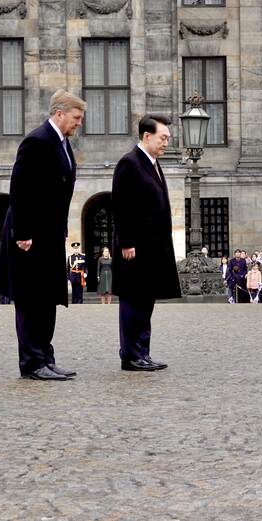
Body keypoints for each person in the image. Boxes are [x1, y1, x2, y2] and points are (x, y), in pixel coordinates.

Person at [0, 89, 85, 381]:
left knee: (47, 297)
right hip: (29, 235)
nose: (78, 123)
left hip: (48, 233)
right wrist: (23, 232)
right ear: (59, 114)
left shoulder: (62, 144)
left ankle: (45, 356)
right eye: (76, 117)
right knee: (32, 299)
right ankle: (32, 362)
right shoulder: (37, 141)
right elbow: (19, 187)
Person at [111, 114, 180, 372]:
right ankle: (130, 355)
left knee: (146, 302)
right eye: (163, 138)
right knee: (133, 302)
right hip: (135, 249)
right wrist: (126, 242)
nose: (166, 143)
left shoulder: (152, 163)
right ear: (147, 136)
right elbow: (121, 205)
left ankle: (142, 352)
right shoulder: (129, 163)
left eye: (168, 139)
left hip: (152, 249)